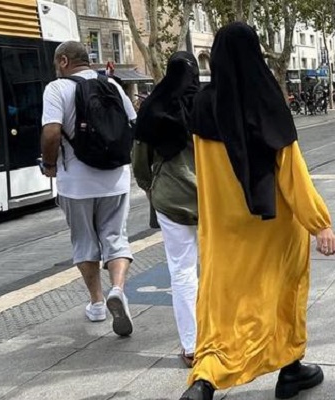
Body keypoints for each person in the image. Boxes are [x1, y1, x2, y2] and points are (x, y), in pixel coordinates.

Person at [179, 22, 335, 400]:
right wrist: (320, 224)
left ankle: (206, 377)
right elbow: (292, 173)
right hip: (272, 226)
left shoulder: (203, 104)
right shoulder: (267, 101)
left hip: (223, 227)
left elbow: (202, 170)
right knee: (282, 293)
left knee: (225, 303)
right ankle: (290, 368)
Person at [40, 41, 135, 336]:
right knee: (115, 237)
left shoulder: (57, 88)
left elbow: (52, 131)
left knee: (84, 240)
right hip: (115, 177)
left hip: (76, 183)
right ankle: (117, 289)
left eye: (58, 62)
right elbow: (132, 122)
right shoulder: (113, 85)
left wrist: (50, 163)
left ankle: (96, 303)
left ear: (64, 60)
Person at [132, 51, 200, 367]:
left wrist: (152, 189)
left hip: (171, 200)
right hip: (213, 200)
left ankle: (191, 346)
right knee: (216, 269)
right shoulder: (207, 104)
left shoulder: (153, 107)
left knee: (182, 271)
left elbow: (140, 164)